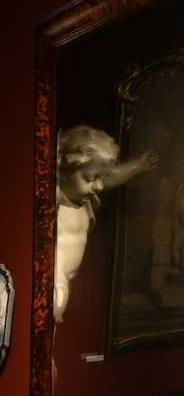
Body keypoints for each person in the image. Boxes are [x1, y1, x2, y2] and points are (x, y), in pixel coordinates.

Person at [55, 125, 157, 323]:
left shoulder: (83, 198)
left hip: (67, 279)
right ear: (63, 171)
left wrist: (137, 165)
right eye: (89, 178)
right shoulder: (55, 198)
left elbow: (114, 176)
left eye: (102, 178)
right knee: (53, 311)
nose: (99, 186)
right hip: (54, 274)